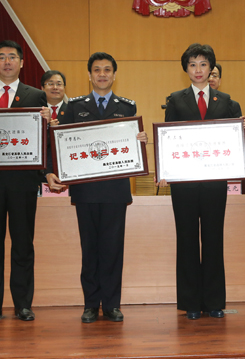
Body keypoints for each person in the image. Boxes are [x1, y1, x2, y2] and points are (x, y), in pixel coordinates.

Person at [46, 52, 147, 323]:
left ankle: (112, 304)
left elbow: (130, 147)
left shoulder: (127, 107)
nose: (102, 74)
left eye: (107, 70)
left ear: (114, 74)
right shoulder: (73, 107)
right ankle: (91, 304)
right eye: (97, 70)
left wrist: (140, 141)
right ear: (89, 75)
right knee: (89, 249)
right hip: (86, 191)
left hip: (115, 191)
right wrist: (50, 171)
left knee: (113, 250)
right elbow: (58, 143)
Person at [158, 43, 245, 320]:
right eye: (193, 64)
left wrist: (241, 130)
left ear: (211, 69)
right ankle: (191, 303)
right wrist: (165, 169)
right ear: (186, 69)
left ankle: (214, 302)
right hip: (183, 184)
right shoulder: (175, 100)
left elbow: (234, 144)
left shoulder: (227, 102)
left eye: (204, 64)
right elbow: (167, 138)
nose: (198, 70)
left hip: (214, 183)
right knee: (186, 239)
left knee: (213, 239)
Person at [0, 40, 49, 324]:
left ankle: (23, 305)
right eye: (1, 57)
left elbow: (43, 139)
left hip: (23, 182)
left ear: (21, 62)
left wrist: (49, 122)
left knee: (23, 243)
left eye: (12, 57)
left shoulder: (36, 95)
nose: (7, 61)